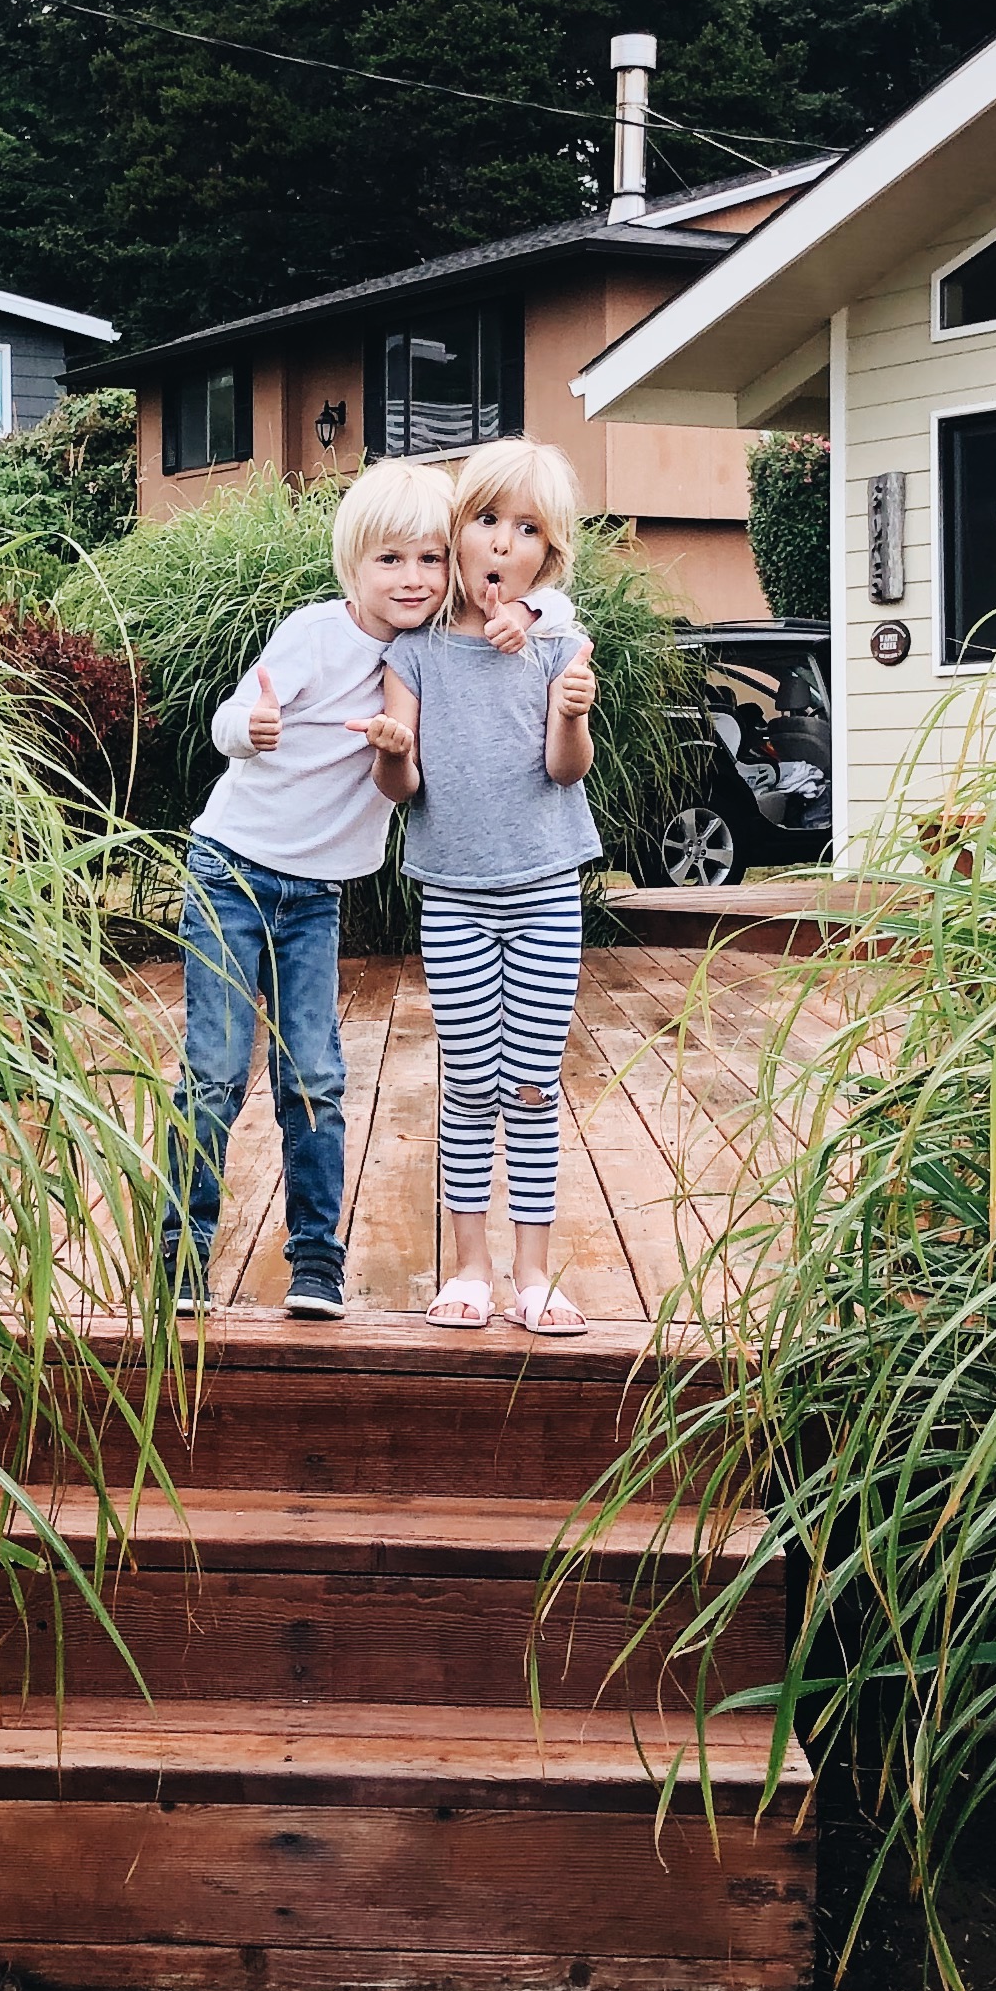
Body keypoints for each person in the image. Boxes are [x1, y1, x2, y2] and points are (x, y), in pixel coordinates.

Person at [171, 463, 537, 1317]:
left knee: (315, 1078)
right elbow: (233, 714)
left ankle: (315, 1265)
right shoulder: (313, 633)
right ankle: (181, 1260)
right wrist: (250, 731)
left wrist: (519, 610)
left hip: (316, 894)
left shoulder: (440, 646)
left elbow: (547, 599)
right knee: (216, 1071)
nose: (411, 578)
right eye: (389, 560)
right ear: (353, 565)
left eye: (429, 559)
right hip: (232, 868)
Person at [367, 439, 601, 1336]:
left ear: (549, 553)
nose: (504, 544)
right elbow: (405, 788)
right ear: (455, 534)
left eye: (528, 529)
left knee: (533, 1085)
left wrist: (573, 710)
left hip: (543, 887)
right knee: (468, 1080)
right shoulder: (417, 652)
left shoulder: (556, 641)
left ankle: (532, 1276)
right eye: (487, 521)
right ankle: (469, 1270)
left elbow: (563, 767)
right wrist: (391, 753)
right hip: (454, 894)